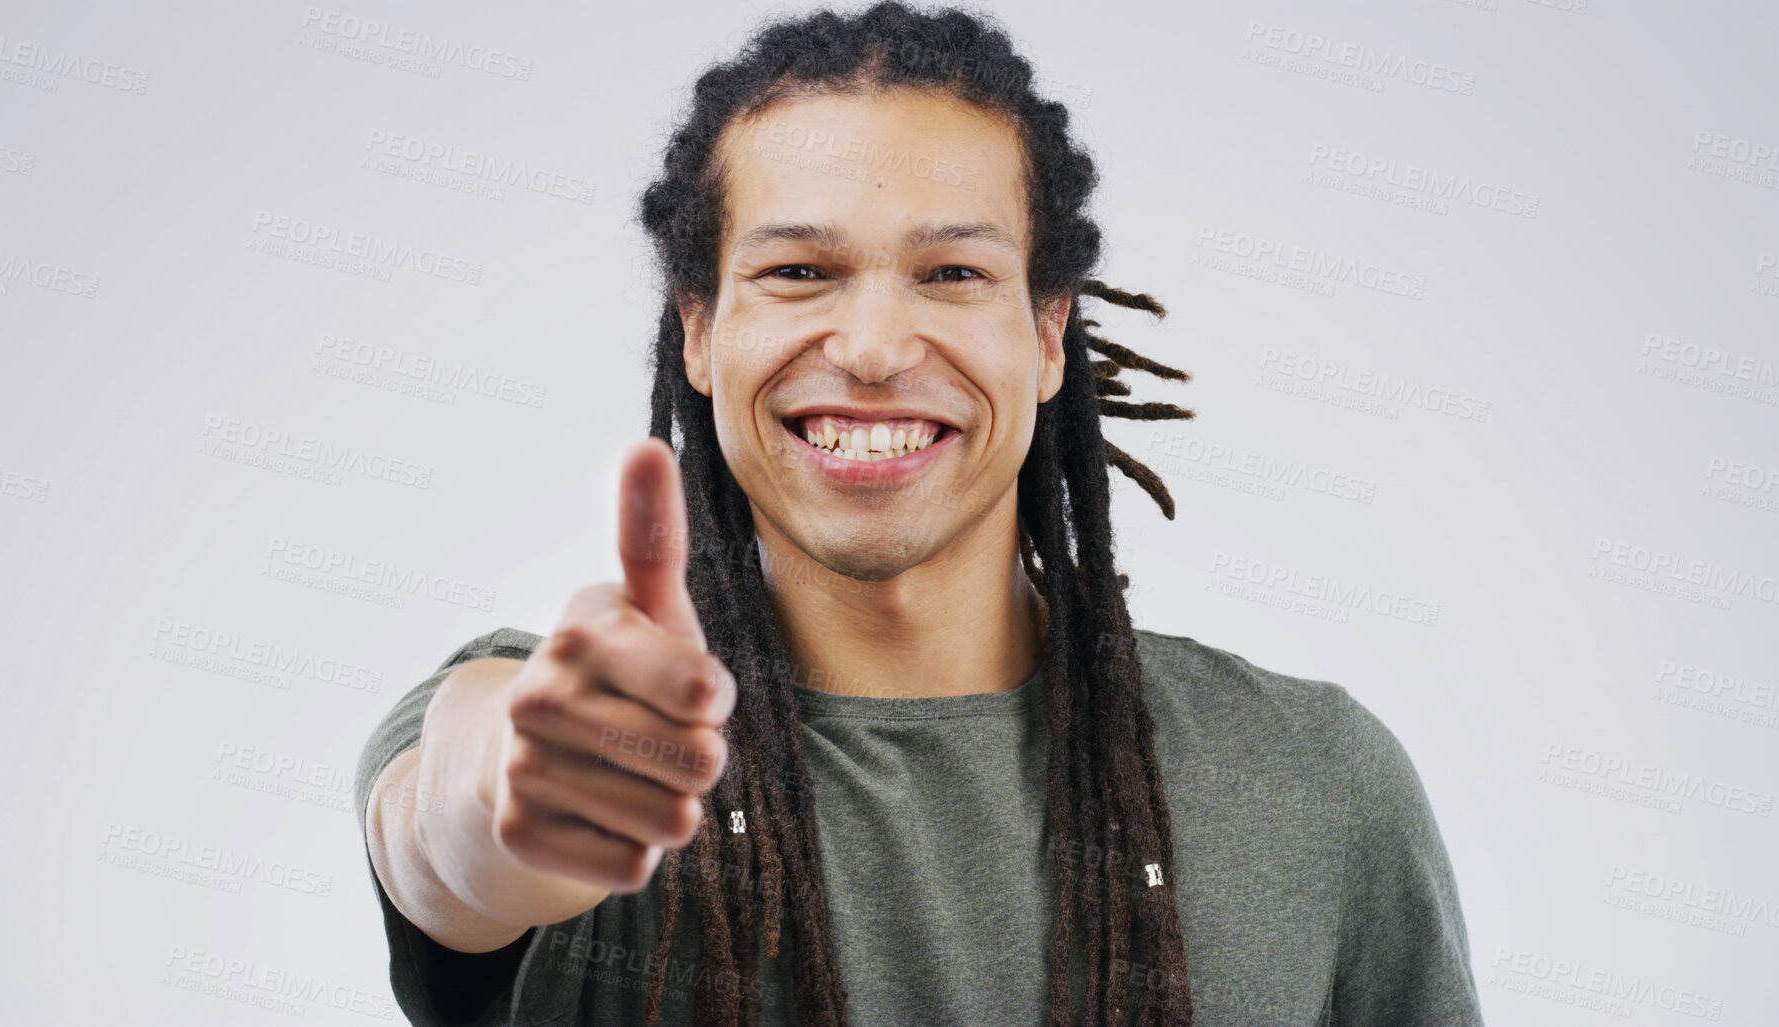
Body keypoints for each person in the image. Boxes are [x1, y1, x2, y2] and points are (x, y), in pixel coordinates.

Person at [353, 3, 1485, 1025]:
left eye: (951, 275)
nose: (877, 349)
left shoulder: (1313, 780)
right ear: (698, 330)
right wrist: (511, 794)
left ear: (1048, 335)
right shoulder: (578, 722)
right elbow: (447, 827)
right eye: (798, 271)